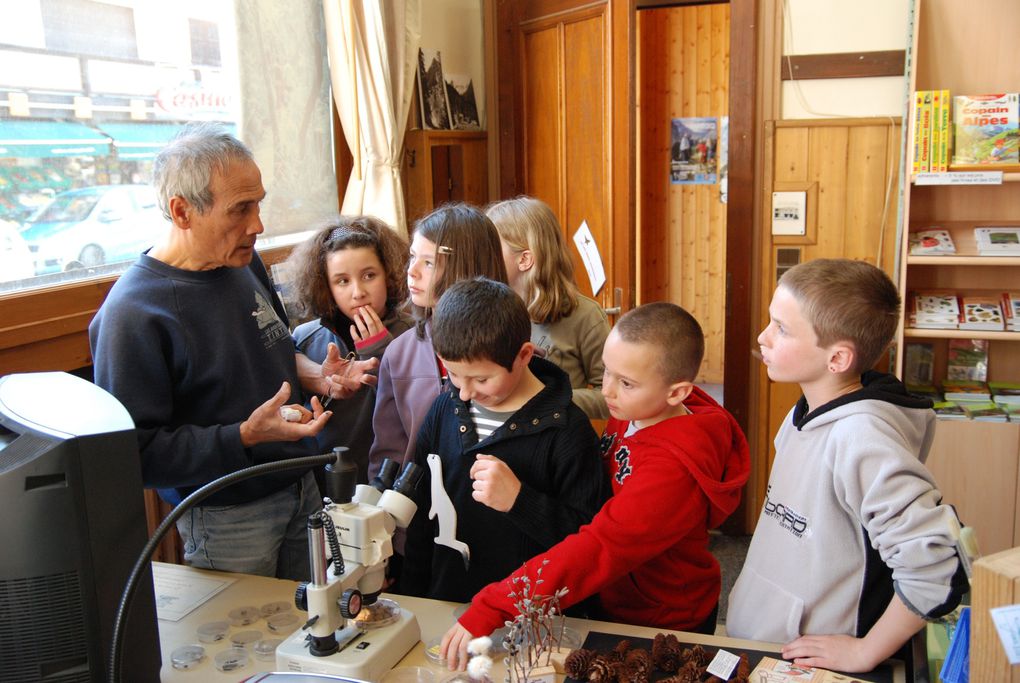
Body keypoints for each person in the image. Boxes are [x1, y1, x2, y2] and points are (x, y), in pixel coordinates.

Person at [89, 123, 375, 580]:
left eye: (258, 203)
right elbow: (136, 453)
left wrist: (316, 376)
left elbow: (270, 349)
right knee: (248, 644)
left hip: (301, 483)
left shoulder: (242, 261)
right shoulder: (134, 314)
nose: (257, 225)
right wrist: (243, 435)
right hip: (227, 514)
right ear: (182, 211)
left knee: (313, 627)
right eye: (240, 209)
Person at [441, 302, 751, 668]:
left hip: (661, 618)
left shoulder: (671, 474)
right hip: (618, 599)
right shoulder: (638, 410)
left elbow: (598, 548)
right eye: (607, 372)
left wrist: (495, 604)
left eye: (626, 383)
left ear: (677, 393)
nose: (607, 391)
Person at [726, 258, 968, 673]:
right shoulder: (805, 411)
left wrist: (865, 650)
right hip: (767, 646)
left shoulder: (861, 437)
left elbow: (937, 565)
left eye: (781, 328)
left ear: (837, 359)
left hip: (815, 665)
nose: (763, 337)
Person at [400, 278, 609, 602]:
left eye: (482, 379)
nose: (465, 392)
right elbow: (421, 514)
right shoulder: (444, 410)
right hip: (445, 603)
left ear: (524, 355)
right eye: (453, 374)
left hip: (530, 620)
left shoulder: (568, 432)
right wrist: (412, 596)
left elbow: (590, 545)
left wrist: (519, 500)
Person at [368, 203, 508, 479]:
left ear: (464, 268)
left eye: (428, 262)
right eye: (412, 257)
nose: (412, 271)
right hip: (419, 510)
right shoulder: (399, 353)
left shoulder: (513, 350)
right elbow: (388, 455)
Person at [288, 216, 412, 485]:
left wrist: (381, 352)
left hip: (390, 480)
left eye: (369, 276)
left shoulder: (414, 334)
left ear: (388, 276)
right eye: (342, 281)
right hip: (324, 482)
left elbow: (416, 413)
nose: (358, 292)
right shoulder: (305, 338)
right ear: (326, 288)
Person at [486, 196, 610, 419]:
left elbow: (612, 396)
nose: (484, 255)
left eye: (492, 246)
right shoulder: (487, 310)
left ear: (525, 260)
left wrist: (551, 398)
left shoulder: (586, 316)